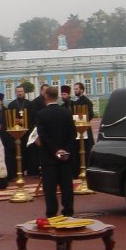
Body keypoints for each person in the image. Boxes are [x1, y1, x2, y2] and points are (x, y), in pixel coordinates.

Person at [35, 86, 77, 218]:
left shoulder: (41, 114)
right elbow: (73, 134)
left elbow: (43, 136)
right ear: (57, 96)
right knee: (67, 186)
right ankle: (68, 212)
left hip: (49, 157)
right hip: (65, 157)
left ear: (46, 96)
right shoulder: (66, 113)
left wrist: (55, 150)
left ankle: (52, 213)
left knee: (50, 188)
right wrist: (65, 151)